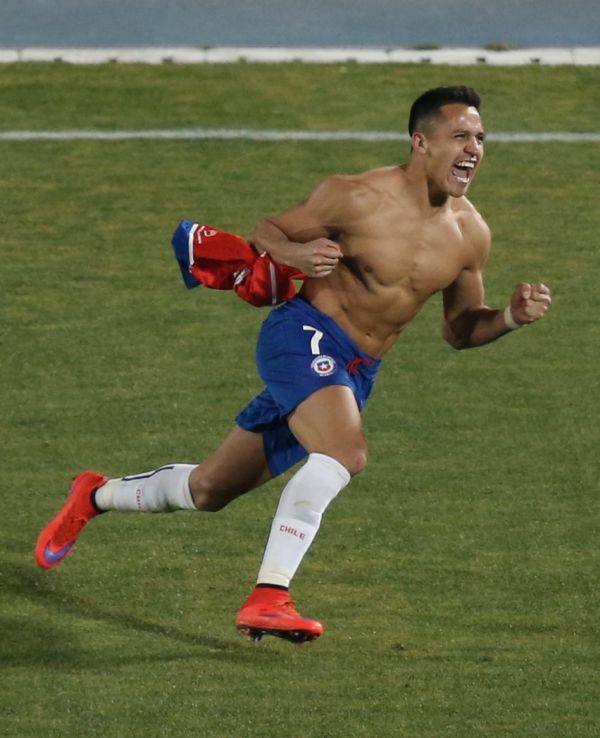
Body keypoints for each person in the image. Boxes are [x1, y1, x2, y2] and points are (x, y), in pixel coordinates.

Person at [35, 86, 551, 644]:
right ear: (420, 142)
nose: (473, 147)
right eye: (460, 136)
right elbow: (267, 230)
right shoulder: (354, 198)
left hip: (353, 374)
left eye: (479, 137)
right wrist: (297, 256)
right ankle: (271, 594)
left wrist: (510, 318)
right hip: (301, 336)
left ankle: (93, 494)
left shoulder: (471, 234)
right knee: (345, 453)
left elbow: (459, 328)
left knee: (210, 490)